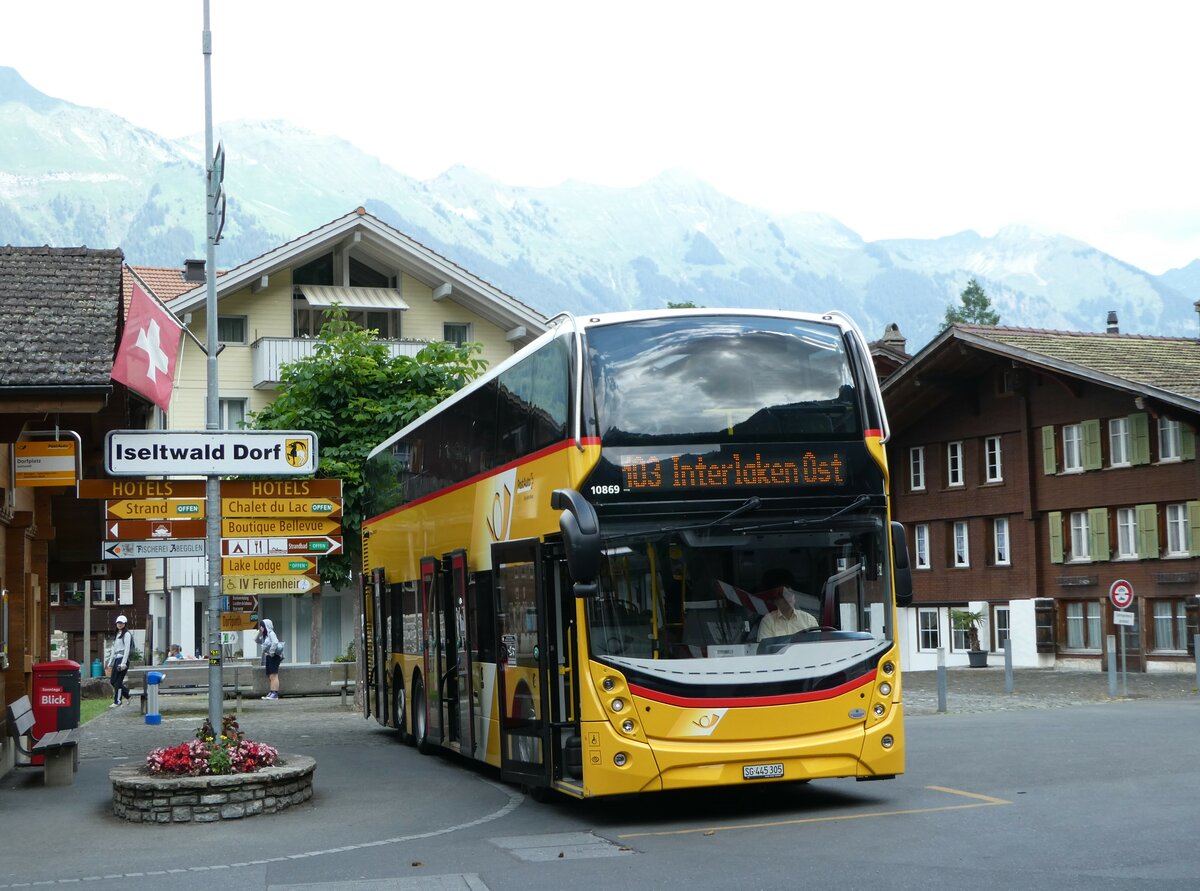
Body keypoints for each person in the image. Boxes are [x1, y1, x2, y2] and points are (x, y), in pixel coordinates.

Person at [756, 570, 819, 641]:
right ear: (776, 601)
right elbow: (765, 648)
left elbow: (816, 646)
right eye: (782, 596)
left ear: (794, 598)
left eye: (789, 594)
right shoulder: (768, 621)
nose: (787, 598)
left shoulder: (809, 619)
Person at [109, 615, 133, 707]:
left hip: (123, 659)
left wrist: (123, 663)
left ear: (125, 624)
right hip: (117, 659)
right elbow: (114, 649)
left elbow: (127, 649)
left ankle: (117, 701)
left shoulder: (127, 634)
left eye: (121, 623)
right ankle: (128, 695)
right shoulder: (117, 634)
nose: (119, 624)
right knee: (113, 681)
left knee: (118, 681)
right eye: (118, 623)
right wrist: (110, 662)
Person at [255, 618, 282, 700]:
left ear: (266, 626)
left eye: (262, 626)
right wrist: (258, 633)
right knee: (270, 675)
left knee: (274, 675)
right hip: (269, 656)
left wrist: (271, 652)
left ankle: (275, 693)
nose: (261, 628)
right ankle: (272, 691)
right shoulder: (266, 636)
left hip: (274, 656)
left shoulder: (271, 633)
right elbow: (257, 640)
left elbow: (275, 642)